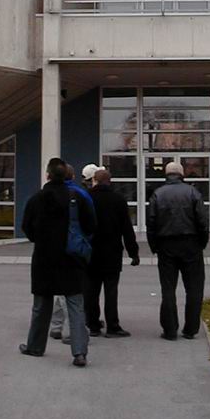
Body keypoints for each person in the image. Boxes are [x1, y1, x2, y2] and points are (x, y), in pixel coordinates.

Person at [20, 157, 96, 367]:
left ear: (48, 175)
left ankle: (35, 346)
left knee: (41, 305)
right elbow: (90, 225)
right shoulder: (76, 197)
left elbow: (26, 227)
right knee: (75, 305)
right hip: (71, 258)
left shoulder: (36, 199)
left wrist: (40, 239)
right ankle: (79, 352)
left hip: (44, 258)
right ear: (67, 176)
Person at [146, 161, 209, 341]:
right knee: (194, 288)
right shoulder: (192, 193)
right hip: (191, 243)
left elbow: (151, 223)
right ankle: (190, 329)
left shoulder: (158, 194)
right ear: (182, 175)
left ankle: (170, 329)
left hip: (166, 245)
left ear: (166, 174)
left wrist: (154, 246)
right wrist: (202, 243)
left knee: (168, 288)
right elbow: (202, 221)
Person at [85, 168, 140, 337]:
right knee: (111, 291)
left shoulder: (87, 198)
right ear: (110, 181)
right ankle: (112, 326)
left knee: (91, 290)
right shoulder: (118, 199)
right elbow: (126, 228)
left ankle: (93, 324)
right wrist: (133, 252)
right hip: (112, 251)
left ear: (94, 180)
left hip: (91, 251)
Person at [50, 163, 96, 344]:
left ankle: (56, 325)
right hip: (75, 247)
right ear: (74, 176)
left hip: (55, 247)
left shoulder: (48, 194)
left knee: (60, 288)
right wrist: (85, 240)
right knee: (73, 291)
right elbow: (90, 222)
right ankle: (74, 330)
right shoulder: (80, 195)